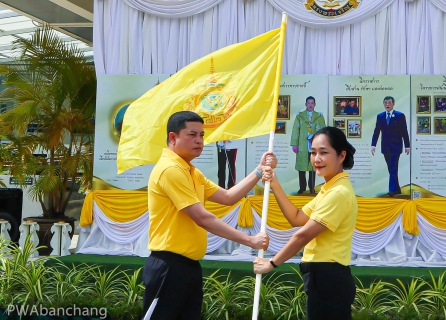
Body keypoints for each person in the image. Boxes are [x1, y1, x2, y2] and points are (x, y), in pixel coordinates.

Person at [142, 111, 273, 320]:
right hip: (169, 267)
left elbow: (228, 197)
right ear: (173, 138)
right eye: (192, 135)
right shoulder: (170, 169)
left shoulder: (191, 171)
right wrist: (250, 240)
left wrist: (258, 171)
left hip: (188, 267)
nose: (199, 141)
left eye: (202, 135)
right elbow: (203, 218)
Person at [254, 126, 358, 320]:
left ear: (341, 155)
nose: (317, 159)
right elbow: (296, 217)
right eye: (313, 152)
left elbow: (302, 235)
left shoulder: (338, 193)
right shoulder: (329, 188)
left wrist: (271, 263)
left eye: (324, 152)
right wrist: (275, 184)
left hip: (330, 277)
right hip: (321, 277)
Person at [371, 96, 410, 196]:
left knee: (393, 167)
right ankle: (397, 189)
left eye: (389, 102)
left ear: (393, 104)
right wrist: (373, 145)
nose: (387, 104)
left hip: (396, 147)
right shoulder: (380, 116)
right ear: (383, 104)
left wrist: (407, 146)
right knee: (391, 169)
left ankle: (392, 190)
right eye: (385, 103)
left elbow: (404, 132)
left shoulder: (400, 116)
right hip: (385, 148)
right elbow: (376, 132)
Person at [290, 96, 326, 194]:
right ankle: (302, 188)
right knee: (301, 167)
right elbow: (295, 130)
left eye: (312, 103)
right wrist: (294, 144)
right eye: (308, 103)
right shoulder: (300, 116)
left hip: (314, 146)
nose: (310, 105)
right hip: (302, 145)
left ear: (315, 104)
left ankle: (312, 188)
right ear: (306, 104)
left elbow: (323, 130)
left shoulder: (319, 116)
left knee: (312, 167)